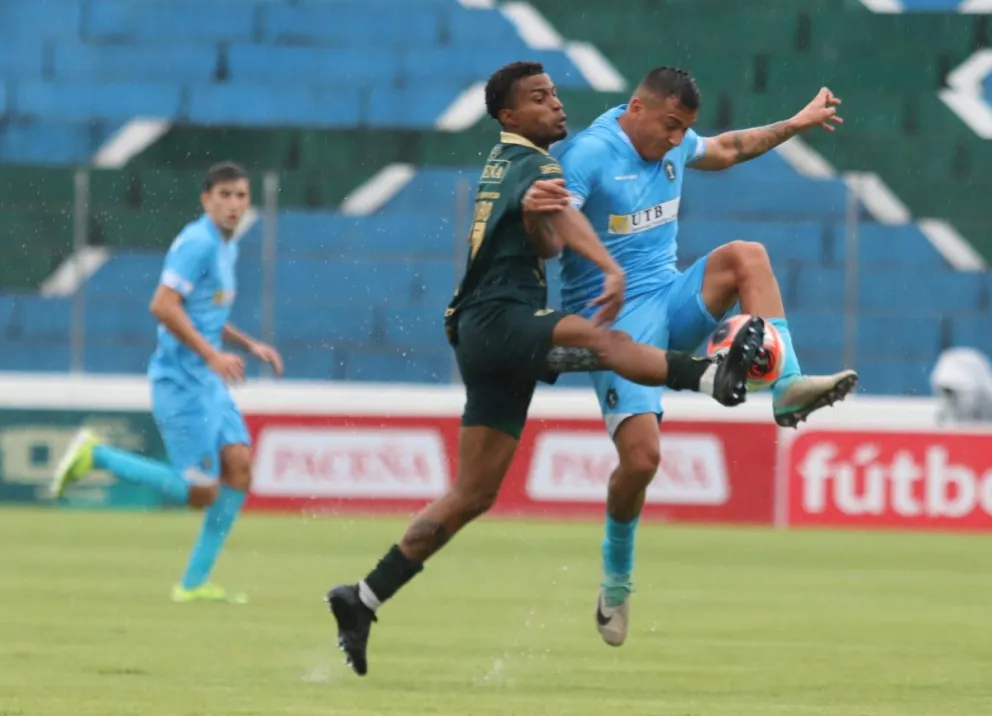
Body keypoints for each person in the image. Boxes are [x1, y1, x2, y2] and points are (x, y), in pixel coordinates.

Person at [324, 61, 767, 677]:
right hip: (501, 317)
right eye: (539, 99)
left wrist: (540, 219)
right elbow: (559, 223)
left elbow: (546, 233)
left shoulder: (512, 167)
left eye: (555, 94)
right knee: (603, 340)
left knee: (472, 494)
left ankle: (364, 596)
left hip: (480, 336)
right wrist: (608, 268)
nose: (556, 106)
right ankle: (710, 377)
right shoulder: (528, 162)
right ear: (509, 118)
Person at [523, 67, 859, 647]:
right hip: (613, 323)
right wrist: (568, 239)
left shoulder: (674, 143)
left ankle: (788, 388)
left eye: (685, 131)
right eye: (671, 127)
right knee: (642, 462)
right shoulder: (589, 155)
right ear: (637, 109)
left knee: (745, 256)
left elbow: (726, 148)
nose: (678, 141)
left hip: (671, 298)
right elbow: (554, 225)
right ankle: (617, 582)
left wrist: (797, 123)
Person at [49, 162, 283, 604]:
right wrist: (213, 354)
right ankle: (96, 453)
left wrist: (248, 345)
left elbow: (204, 312)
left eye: (242, 196)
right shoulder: (197, 244)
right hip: (182, 383)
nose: (235, 204)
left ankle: (193, 583)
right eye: (226, 195)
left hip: (207, 380)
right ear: (206, 198)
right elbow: (162, 305)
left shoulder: (225, 246)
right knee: (201, 493)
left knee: (239, 468)